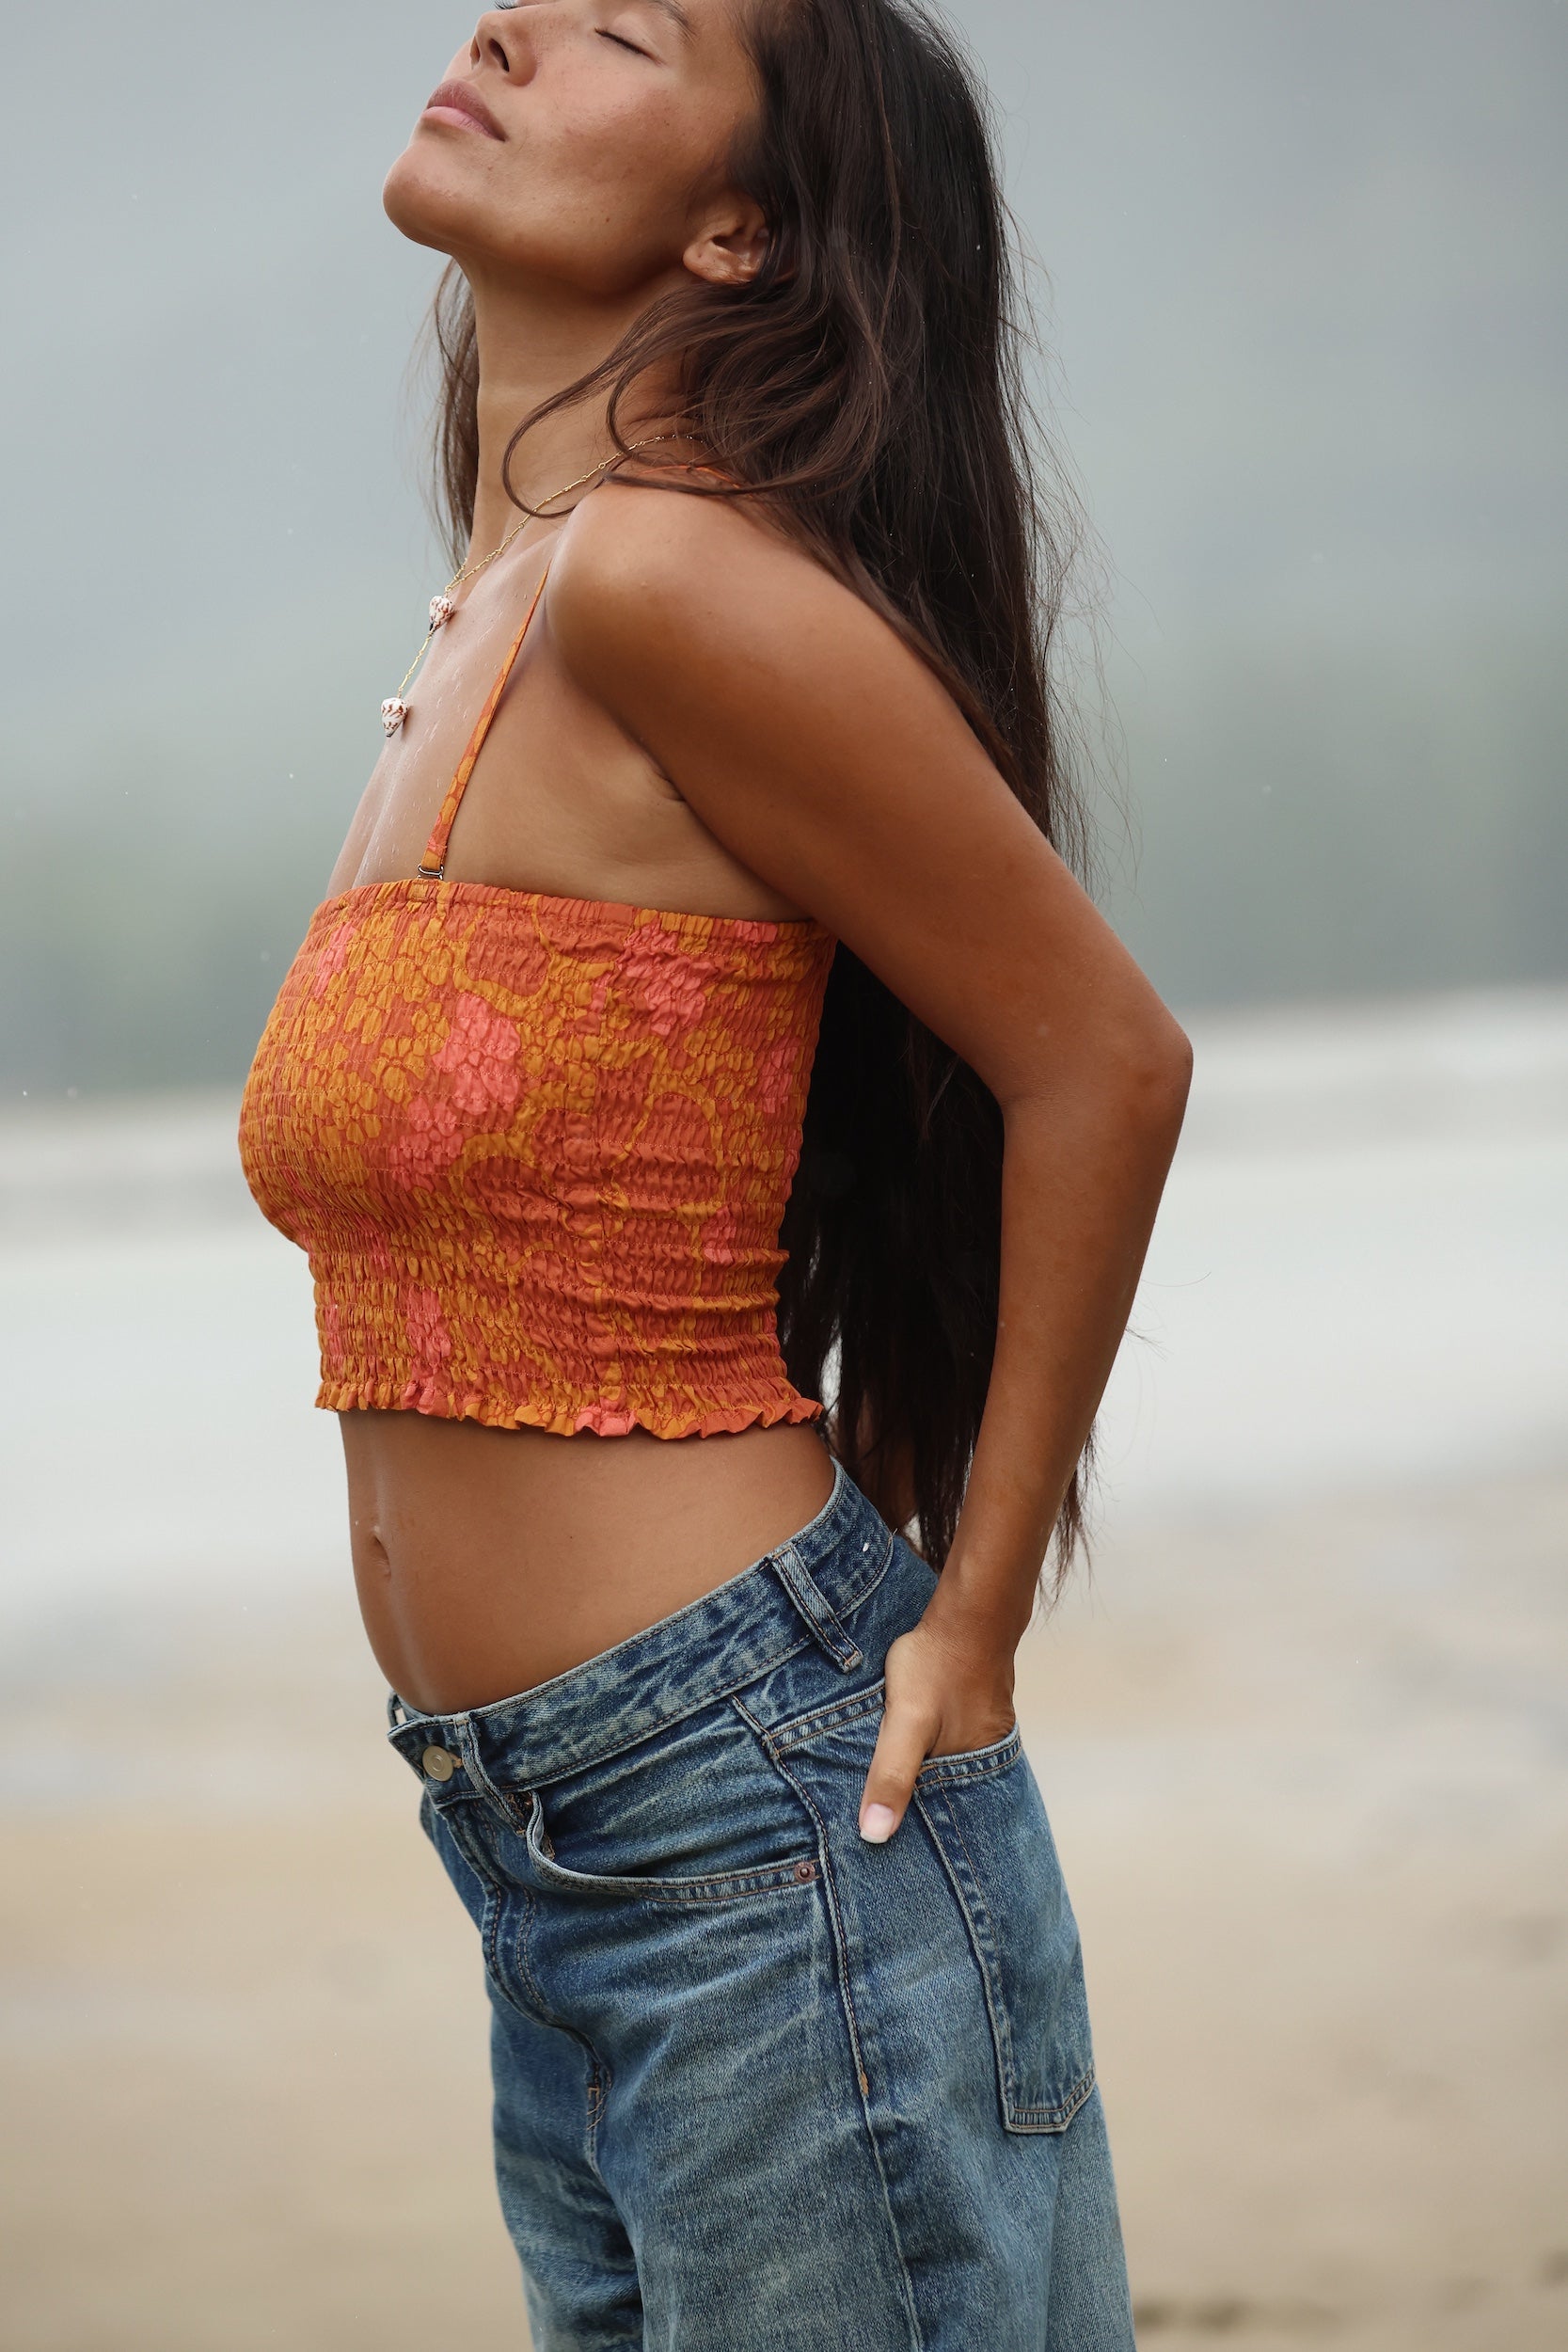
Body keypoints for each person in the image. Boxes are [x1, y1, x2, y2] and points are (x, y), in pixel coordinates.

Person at [240, 1, 1191, 2342]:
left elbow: (1102, 1057)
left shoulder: (666, 584)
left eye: (619, 34)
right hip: (544, 1833)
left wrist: (973, 1623)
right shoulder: (487, 617)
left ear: (740, 230)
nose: (505, 27)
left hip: (752, 1804)